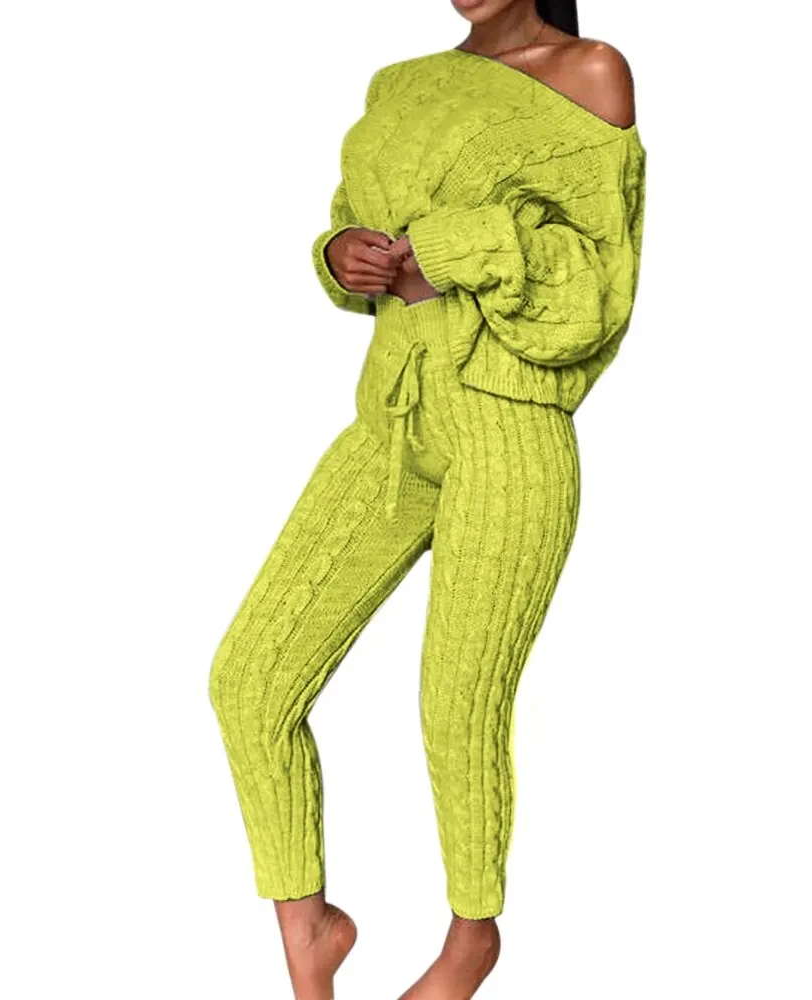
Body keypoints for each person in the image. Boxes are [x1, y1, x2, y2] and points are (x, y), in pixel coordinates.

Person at [208, 1, 646, 996]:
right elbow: (353, 220)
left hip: (511, 423)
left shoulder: (591, 69)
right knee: (250, 682)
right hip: (392, 415)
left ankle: (470, 938)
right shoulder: (400, 82)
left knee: (457, 704)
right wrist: (340, 255)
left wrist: (446, 250)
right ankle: (309, 931)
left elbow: (599, 285)